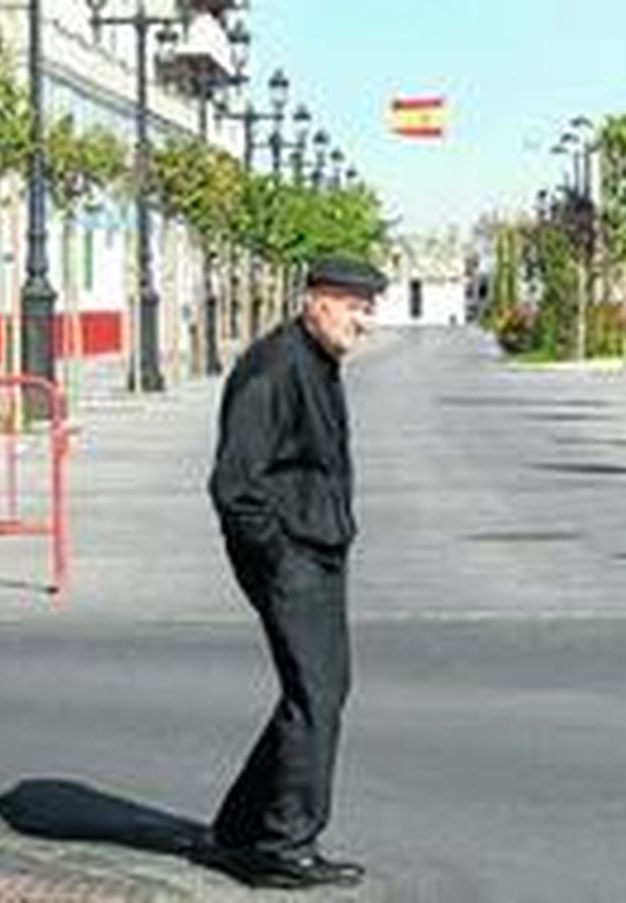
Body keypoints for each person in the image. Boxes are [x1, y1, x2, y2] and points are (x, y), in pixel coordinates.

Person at [205, 254, 386, 890]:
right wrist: (279, 556)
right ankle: (285, 843)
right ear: (317, 300)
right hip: (291, 555)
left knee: (320, 690)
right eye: (356, 307)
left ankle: (241, 828)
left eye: (369, 308)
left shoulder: (316, 360)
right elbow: (235, 486)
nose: (364, 322)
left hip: (318, 546)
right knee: (316, 694)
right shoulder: (275, 367)